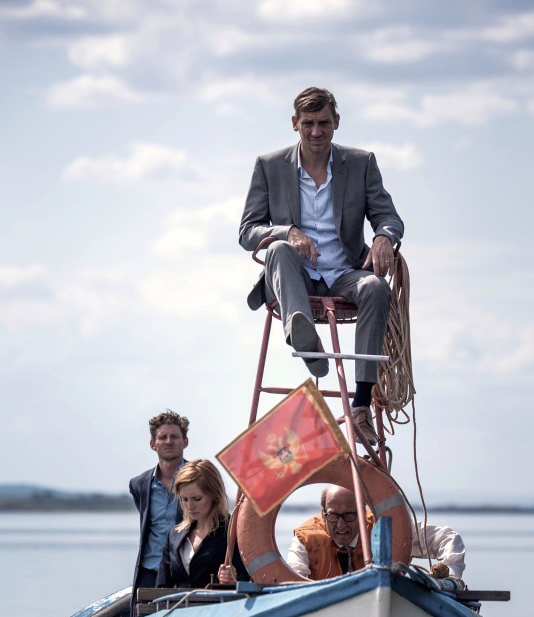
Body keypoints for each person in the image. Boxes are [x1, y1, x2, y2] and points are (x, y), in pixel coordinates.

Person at [239, 86, 404, 446]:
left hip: (345, 272)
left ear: (337, 122)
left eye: (324, 123)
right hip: (294, 279)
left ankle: (361, 406)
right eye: (309, 123)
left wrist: (383, 237)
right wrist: (288, 231)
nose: (317, 132)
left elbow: (388, 217)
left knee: (377, 287)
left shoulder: (361, 163)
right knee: (278, 249)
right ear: (295, 124)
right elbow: (248, 232)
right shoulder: (269, 166)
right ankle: (302, 333)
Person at [286, 486, 466, 580]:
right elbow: (293, 580)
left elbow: (447, 538)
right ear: (323, 513)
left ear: (362, 511)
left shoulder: (385, 526)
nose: (340, 524)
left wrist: (451, 576)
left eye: (349, 515)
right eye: (333, 515)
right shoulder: (305, 539)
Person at [156, 459, 249, 588]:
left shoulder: (234, 533)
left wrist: (234, 580)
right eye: (184, 499)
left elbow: (248, 580)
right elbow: (161, 587)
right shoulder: (174, 535)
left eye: (197, 499)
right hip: (177, 602)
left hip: (218, 601)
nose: (190, 506)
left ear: (214, 494)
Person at [128, 410, 189, 607]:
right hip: (148, 572)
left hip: (184, 574)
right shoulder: (139, 484)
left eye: (174, 437)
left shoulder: (199, 478)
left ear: (185, 442)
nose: (168, 441)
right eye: (163, 437)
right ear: (153, 444)